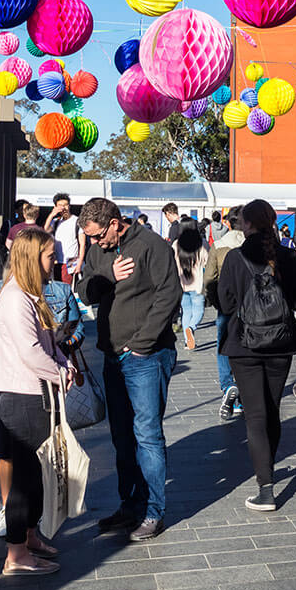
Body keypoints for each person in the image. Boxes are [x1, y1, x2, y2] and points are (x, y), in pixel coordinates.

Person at [79, 197, 181, 542]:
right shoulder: (99, 252)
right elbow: (85, 289)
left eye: (97, 236)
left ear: (114, 222)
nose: (95, 243)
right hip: (111, 357)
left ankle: (154, 511)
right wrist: (107, 273)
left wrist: (141, 345)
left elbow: (170, 296)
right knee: (121, 437)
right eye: (90, 238)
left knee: (147, 435)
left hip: (145, 357)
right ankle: (130, 505)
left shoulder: (152, 246)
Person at [0, 229, 84, 541]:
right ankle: (17, 551)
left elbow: (47, 346)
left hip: (33, 394)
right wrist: (61, 373)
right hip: (21, 396)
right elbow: (32, 352)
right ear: (32, 258)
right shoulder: (15, 298)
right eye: (50, 255)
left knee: (35, 475)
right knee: (25, 476)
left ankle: (30, 538)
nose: (55, 261)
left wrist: (64, 363)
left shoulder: (28, 295)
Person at [216, 199, 296, 510]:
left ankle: (265, 485)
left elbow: (226, 305)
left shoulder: (234, 258)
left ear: (247, 224)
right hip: (281, 343)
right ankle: (267, 469)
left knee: (255, 415)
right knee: (272, 408)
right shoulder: (289, 256)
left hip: (244, 344)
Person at [205, 205, 246, 422]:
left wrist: (214, 301)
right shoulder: (252, 245)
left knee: (223, 346)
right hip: (250, 307)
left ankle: (228, 385)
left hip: (225, 305)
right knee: (246, 347)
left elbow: (209, 278)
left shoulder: (219, 245)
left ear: (228, 223)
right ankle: (242, 393)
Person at [175, 222, 207, 351]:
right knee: (199, 311)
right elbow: (207, 261)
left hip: (181, 284)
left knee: (186, 312)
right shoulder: (202, 243)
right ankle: (191, 328)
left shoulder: (176, 244)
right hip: (197, 284)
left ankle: (188, 342)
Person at [45, 193, 79, 283]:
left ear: (69, 206)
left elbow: (82, 244)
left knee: (66, 289)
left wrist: (79, 263)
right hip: (56, 262)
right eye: (60, 205)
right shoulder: (55, 222)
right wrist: (52, 214)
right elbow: (46, 230)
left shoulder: (76, 221)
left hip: (71, 262)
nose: (63, 208)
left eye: (65, 205)